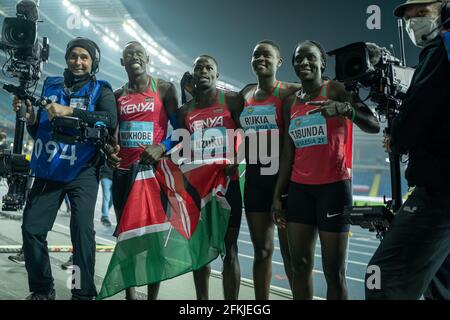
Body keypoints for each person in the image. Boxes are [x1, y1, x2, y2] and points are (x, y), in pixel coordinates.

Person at [272, 40, 380, 300]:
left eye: (310, 58)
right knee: (299, 267)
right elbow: (288, 152)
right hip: (299, 190)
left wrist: (346, 109)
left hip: (334, 188)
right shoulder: (290, 103)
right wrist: (277, 195)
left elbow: (373, 124)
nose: (304, 63)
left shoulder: (337, 89)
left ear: (322, 62)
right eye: (298, 59)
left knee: (334, 272)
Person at [13, 37, 117, 300]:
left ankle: (80, 292)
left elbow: (109, 119)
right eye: (73, 56)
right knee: (32, 229)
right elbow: (39, 131)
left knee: (81, 235)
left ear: (94, 62)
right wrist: (31, 118)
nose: (78, 62)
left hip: (82, 171)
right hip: (50, 169)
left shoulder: (102, 90)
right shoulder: (51, 84)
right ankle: (42, 289)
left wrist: (68, 110)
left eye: (84, 57)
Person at [366, 0, 450, 300]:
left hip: (439, 188)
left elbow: (418, 112)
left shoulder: (440, 48)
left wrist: (397, 135)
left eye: (422, 13)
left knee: (381, 278)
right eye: (409, 18)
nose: (414, 22)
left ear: (445, 11)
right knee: (441, 284)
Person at [107, 41, 178, 300]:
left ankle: (151, 298)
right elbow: (112, 136)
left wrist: (162, 146)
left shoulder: (166, 89)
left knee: (155, 243)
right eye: (129, 55)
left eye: (139, 53)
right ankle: (130, 295)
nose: (134, 57)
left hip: (153, 175)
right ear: (122, 62)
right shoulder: (117, 95)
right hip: (124, 174)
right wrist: (110, 153)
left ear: (147, 57)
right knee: (126, 240)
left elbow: (182, 132)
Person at [177, 55, 243, 300]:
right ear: (193, 75)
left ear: (217, 75)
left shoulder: (233, 101)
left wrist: (238, 158)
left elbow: (249, 135)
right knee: (200, 250)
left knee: (230, 249)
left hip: (228, 185)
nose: (203, 70)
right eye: (198, 67)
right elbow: (180, 148)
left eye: (209, 67)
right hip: (197, 188)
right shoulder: (185, 111)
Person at [239, 40, 301, 299]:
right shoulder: (245, 93)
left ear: (279, 62)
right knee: (262, 251)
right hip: (254, 179)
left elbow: (320, 91)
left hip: (283, 181)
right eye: (256, 55)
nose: (260, 59)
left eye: (267, 55)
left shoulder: (289, 91)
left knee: (291, 254)